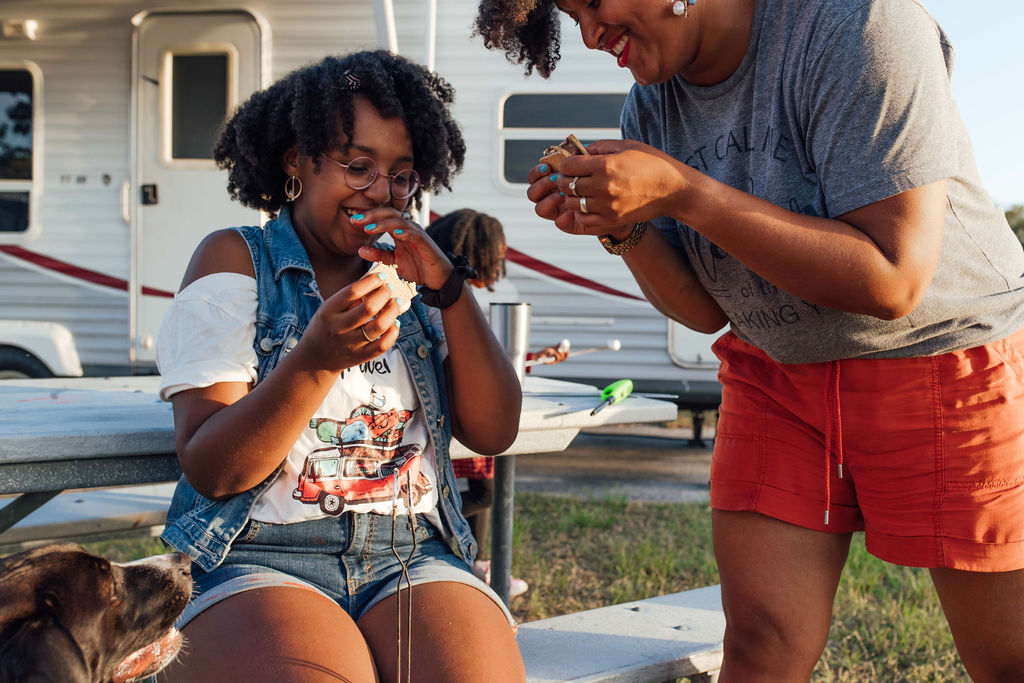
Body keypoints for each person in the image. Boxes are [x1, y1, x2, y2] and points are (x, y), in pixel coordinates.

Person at [474, 1, 1024, 680]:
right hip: (776, 370)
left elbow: (893, 279)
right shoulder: (651, 108)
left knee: (1008, 658)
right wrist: (622, 228)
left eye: (593, 1)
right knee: (761, 644)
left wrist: (685, 192)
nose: (588, 33)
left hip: (946, 358)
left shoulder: (858, 24)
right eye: (568, 13)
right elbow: (704, 310)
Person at [154, 51, 526, 682]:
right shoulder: (235, 262)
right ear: (296, 160)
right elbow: (214, 469)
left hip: (413, 554)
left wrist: (450, 290)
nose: (380, 192)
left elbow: (495, 431)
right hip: (259, 556)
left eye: (401, 176)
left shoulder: (414, 276)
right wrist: (317, 360)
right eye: (358, 167)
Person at [426, 208, 566, 597]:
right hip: (451, 416)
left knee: (484, 491)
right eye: (494, 256)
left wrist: (533, 358)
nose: (498, 265)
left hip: (469, 413)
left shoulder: (459, 298)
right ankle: (461, 549)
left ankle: (477, 560)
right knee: (480, 493)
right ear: (471, 252)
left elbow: (489, 361)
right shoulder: (439, 300)